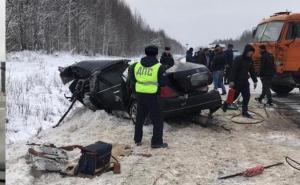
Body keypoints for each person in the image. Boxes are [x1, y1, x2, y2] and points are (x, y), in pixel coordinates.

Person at [129, 45, 168, 149]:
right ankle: (156, 142)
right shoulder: (159, 67)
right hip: (153, 96)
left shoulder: (136, 66)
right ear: (156, 54)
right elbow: (164, 83)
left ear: (145, 53)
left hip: (140, 95)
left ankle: (137, 139)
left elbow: (132, 80)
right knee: (157, 120)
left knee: (140, 118)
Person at [228, 44, 258, 118]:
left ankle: (244, 112)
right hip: (237, 81)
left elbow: (252, 71)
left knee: (247, 96)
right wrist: (231, 81)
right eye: (250, 52)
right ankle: (226, 105)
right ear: (246, 51)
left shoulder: (250, 60)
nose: (251, 53)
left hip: (245, 82)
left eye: (252, 52)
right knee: (233, 96)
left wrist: (255, 81)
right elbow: (233, 70)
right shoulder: (238, 59)